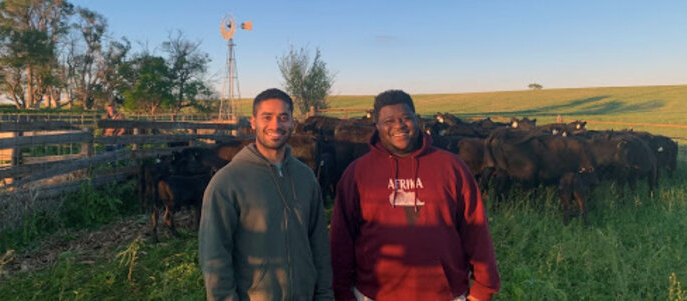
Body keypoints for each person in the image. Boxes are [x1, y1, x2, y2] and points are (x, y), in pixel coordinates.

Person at [330, 90, 500, 301]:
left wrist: (483, 289)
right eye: (388, 121)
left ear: (416, 120)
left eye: (405, 118)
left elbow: (476, 230)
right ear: (377, 127)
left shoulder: (451, 167)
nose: (399, 126)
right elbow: (341, 239)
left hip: (444, 294)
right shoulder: (357, 173)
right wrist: (341, 291)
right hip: (373, 294)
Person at [199, 88, 333, 301]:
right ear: (253, 122)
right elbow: (214, 256)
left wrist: (325, 294)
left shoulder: (305, 177)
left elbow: (319, 243)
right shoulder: (227, 182)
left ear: (292, 123)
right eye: (267, 117)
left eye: (283, 117)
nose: (276, 125)